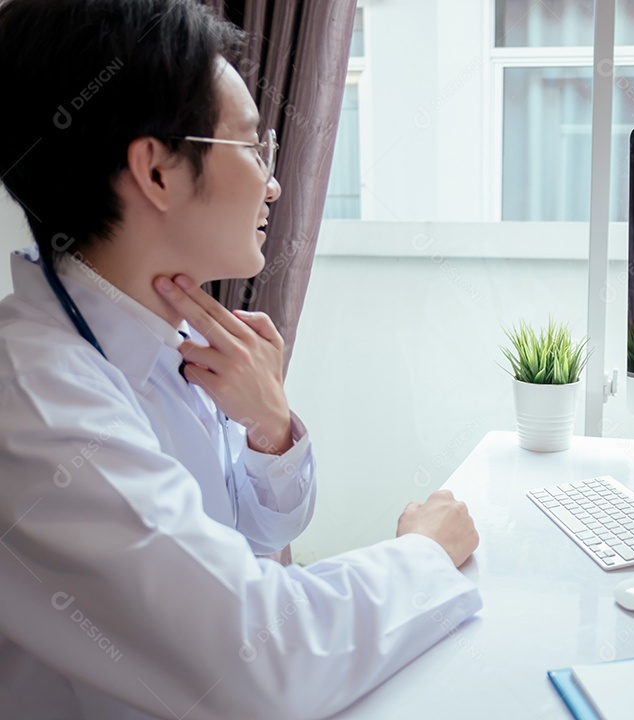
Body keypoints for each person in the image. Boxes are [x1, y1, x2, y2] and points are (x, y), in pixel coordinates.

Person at [0, 1, 480, 718]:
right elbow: (262, 659)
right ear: (157, 172)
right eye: (254, 148)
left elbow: (257, 538)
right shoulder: (38, 405)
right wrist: (424, 553)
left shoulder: (160, 333)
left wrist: (270, 428)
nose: (273, 184)